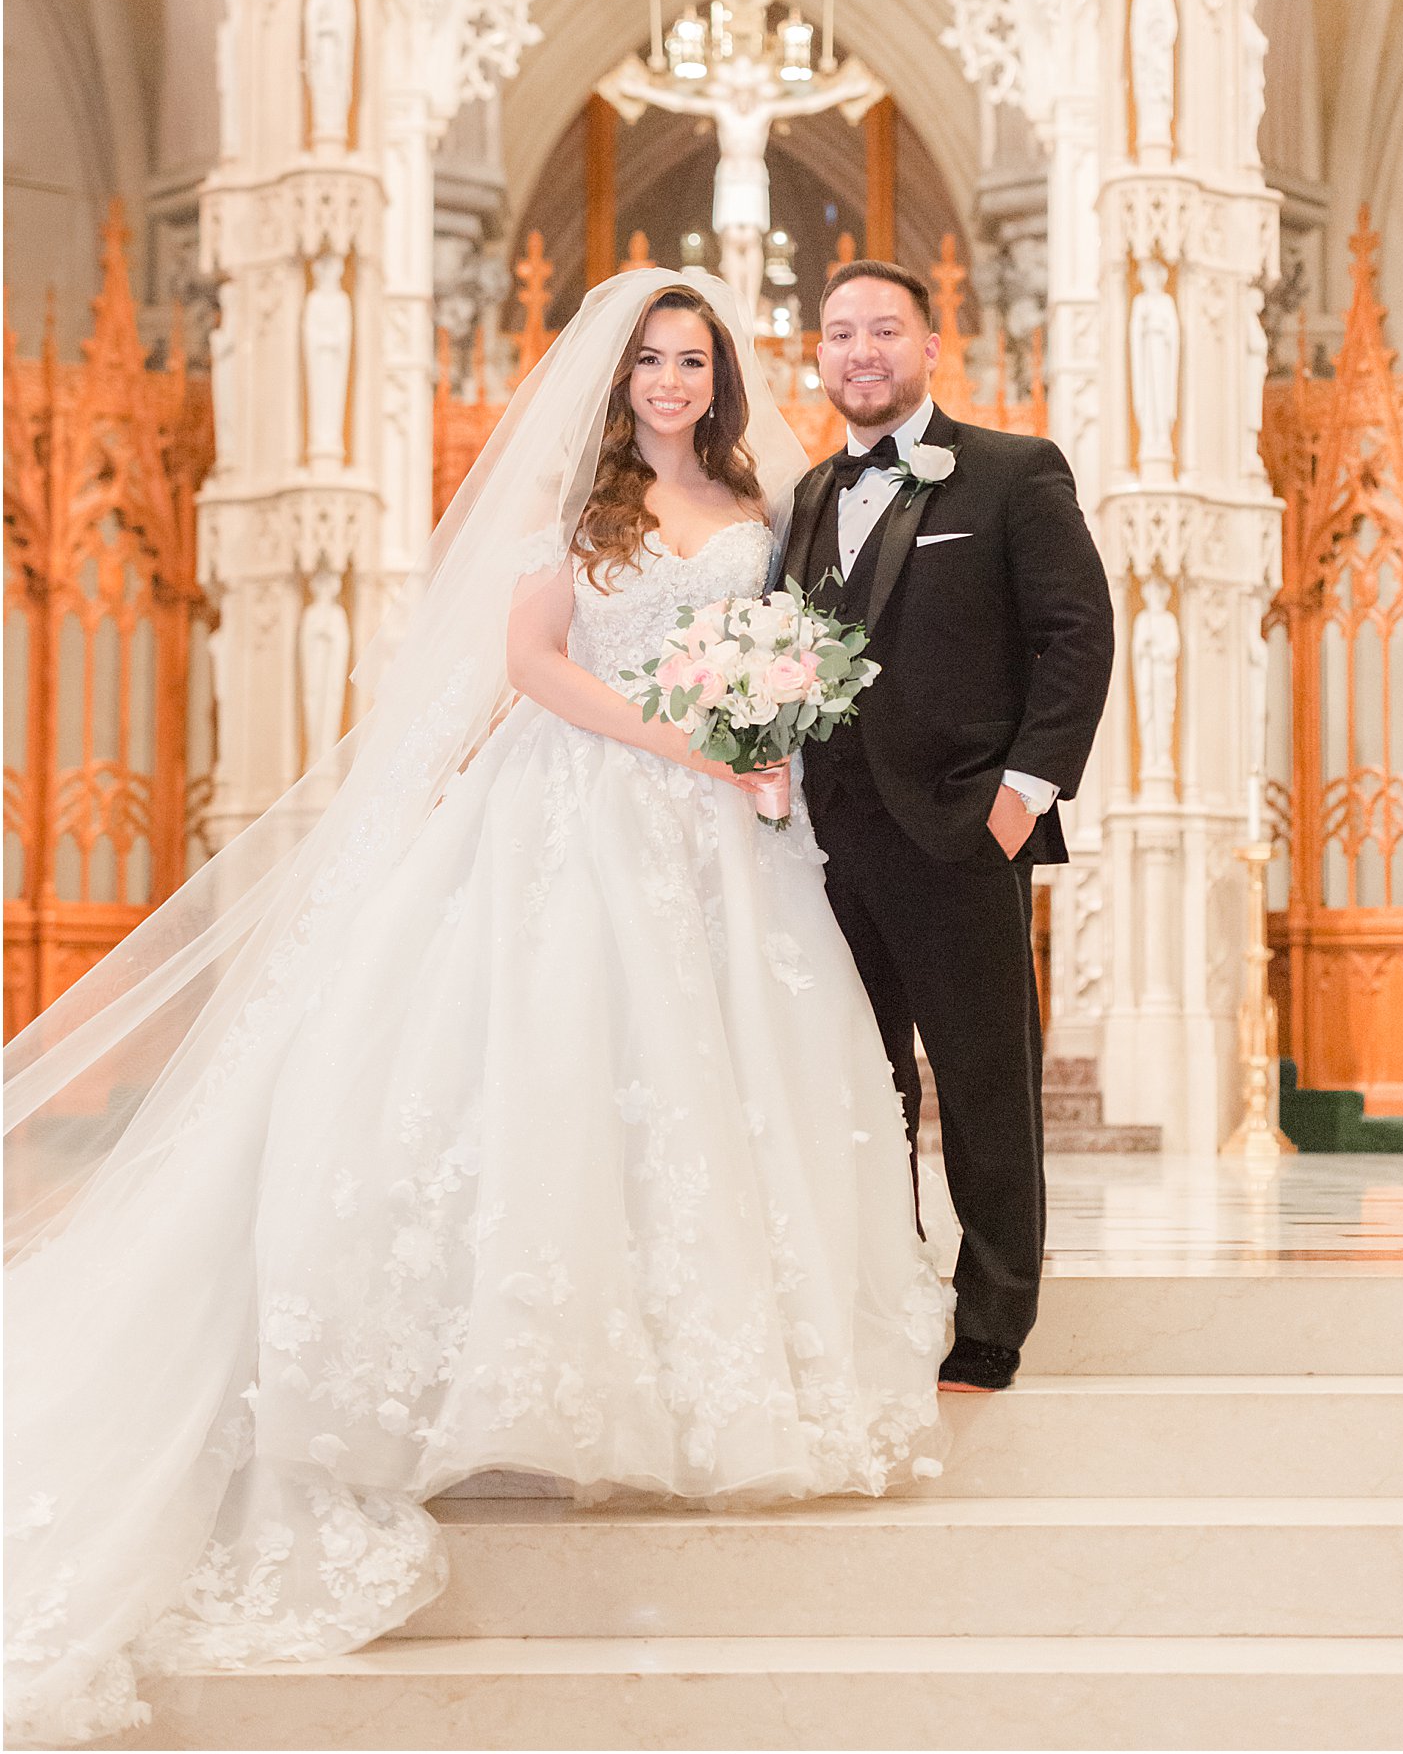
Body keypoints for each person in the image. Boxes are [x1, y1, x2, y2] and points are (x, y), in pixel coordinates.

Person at [4, 270, 945, 1751]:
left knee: (709, 1089)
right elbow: (531, 668)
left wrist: (754, 741)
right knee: (550, 1070)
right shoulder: (579, 512)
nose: (670, 383)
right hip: (576, 812)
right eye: (648, 361)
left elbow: (765, 660)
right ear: (613, 378)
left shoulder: (758, 507)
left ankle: (703, 1367)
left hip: (722, 843)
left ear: (723, 377)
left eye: (693, 361)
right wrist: (691, 748)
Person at [783, 260, 1114, 1394]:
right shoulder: (807, 497)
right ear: (816, 355)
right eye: (839, 334)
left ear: (930, 344)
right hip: (822, 847)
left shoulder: (1013, 473)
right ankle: (884, 1289)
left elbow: (1076, 637)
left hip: (964, 829)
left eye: (883, 330)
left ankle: (992, 1321)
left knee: (983, 1084)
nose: (860, 352)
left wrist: (1020, 799)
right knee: (857, 1080)